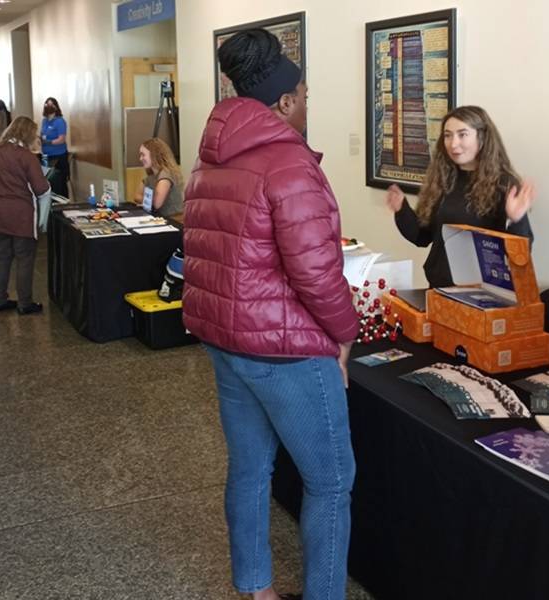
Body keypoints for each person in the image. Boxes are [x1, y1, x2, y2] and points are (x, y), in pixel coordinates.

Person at [182, 29, 359, 600]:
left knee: (251, 468)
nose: (307, 104)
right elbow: (316, 271)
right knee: (331, 483)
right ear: (284, 102)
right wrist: (345, 334)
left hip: (226, 341)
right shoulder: (289, 164)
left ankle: (255, 589)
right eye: (303, 94)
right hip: (284, 349)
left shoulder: (211, 159)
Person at [385, 105, 535, 288]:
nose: (453, 143)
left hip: (482, 294)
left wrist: (516, 220)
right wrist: (402, 210)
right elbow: (422, 237)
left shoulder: (504, 184)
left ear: (482, 137)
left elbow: (521, 255)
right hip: (439, 290)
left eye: (462, 135)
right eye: (448, 135)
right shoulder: (443, 179)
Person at [0, 116, 49, 315]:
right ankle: (25, 303)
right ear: (27, 133)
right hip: (19, 213)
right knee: (24, 257)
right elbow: (40, 187)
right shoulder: (25, 156)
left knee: (2, 257)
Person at [133, 137, 183, 218]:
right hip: (160, 218)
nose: (140, 158)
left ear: (154, 154)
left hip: (173, 220)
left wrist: (146, 200)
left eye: (143, 154)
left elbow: (157, 204)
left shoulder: (166, 175)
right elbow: (136, 196)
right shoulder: (151, 176)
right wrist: (148, 200)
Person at [40, 97, 69, 197]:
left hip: (59, 156)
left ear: (56, 107)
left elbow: (61, 139)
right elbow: (42, 135)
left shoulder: (60, 121)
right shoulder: (44, 121)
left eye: (51, 104)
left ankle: (63, 205)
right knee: (49, 182)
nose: (49, 107)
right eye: (47, 104)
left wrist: (48, 142)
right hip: (46, 156)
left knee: (60, 183)